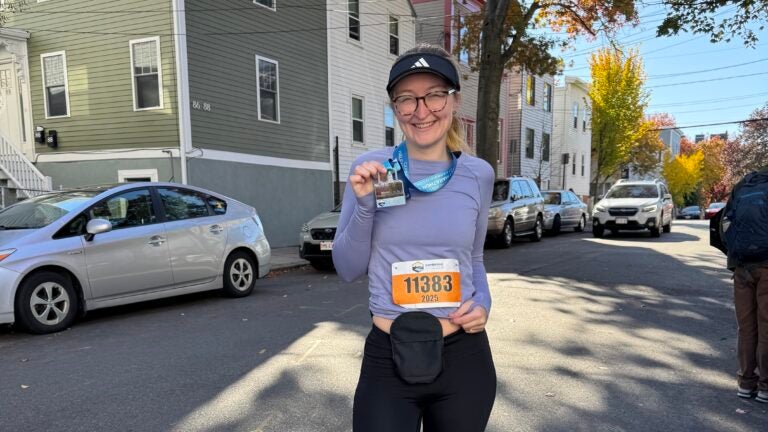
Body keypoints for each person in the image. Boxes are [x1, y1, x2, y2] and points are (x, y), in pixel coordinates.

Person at [332, 44, 496, 431]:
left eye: (435, 95)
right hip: (388, 358)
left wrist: (484, 302)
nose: (422, 111)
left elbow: (474, 259)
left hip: (463, 360)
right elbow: (347, 268)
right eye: (407, 99)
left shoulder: (479, 175)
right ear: (394, 108)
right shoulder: (371, 169)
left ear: (453, 100)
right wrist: (366, 205)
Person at [716, 166, 768, 403]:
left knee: (746, 327)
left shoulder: (744, 185)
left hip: (741, 264)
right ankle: (765, 387)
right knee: (766, 326)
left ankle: (746, 384)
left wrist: (734, 254)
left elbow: (724, 224)